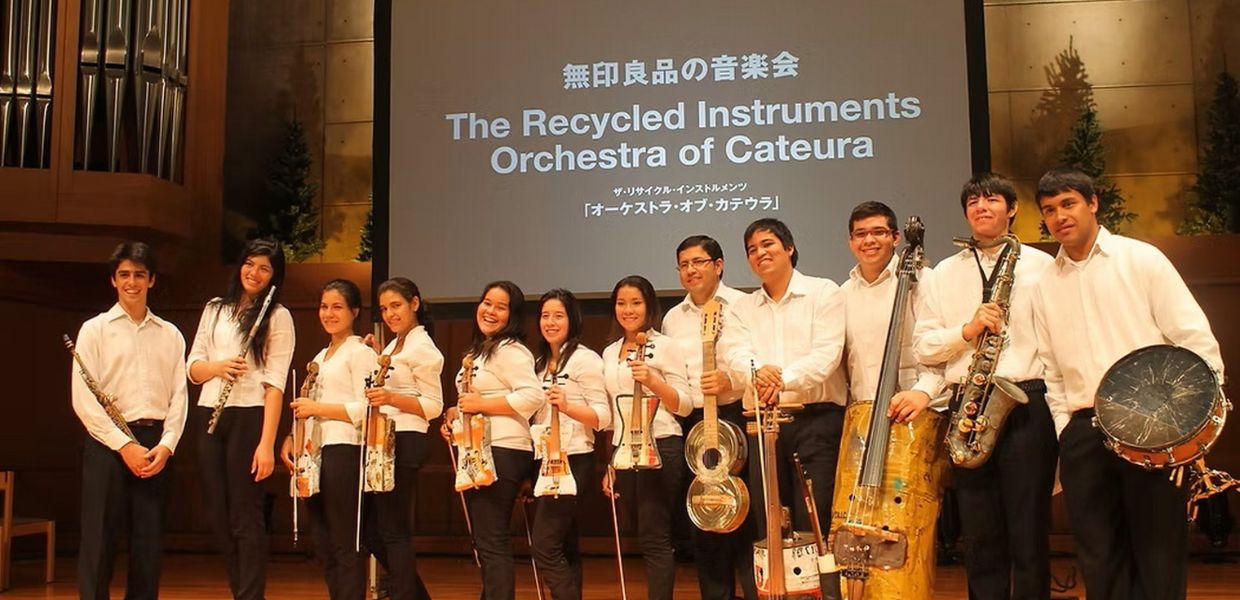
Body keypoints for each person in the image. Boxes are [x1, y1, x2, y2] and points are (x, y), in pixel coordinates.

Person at [1032, 167, 1223, 600]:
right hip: (1085, 430)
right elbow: (1051, 368)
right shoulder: (1045, 282)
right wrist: (1067, 428)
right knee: (1099, 555)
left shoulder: (1142, 259)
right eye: (1049, 210)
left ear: (1092, 203)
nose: (1059, 216)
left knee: (1158, 552)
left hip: (1153, 426)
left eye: (1068, 203)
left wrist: (1194, 420)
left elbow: (1193, 338)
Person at [912, 173, 1057, 600]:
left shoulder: (1042, 267)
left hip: (1025, 399)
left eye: (992, 200)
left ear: (1012, 209)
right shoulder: (942, 273)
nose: (981, 207)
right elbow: (924, 345)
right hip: (968, 404)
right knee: (980, 533)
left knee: (1030, 529)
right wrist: (968, 330)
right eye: (973, 201)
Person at [715, 218, 847, 597]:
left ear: (789, 248)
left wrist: (780, 378)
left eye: (768, 244)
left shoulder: (823, 292)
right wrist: (759, 373)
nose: (760, 253)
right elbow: (733, 354)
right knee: (770, 524)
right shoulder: (743, 307)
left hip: (816, 421)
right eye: (752, 249)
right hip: (763, 424)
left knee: (815, 524)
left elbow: (827, 355)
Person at [839, 202, 949, 594]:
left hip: (913, 416)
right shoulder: (843, 292)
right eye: (861, 234)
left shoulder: (923, 279)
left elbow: (937, 351)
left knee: (907, 533)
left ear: (896, 238)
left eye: (878, 232)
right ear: (851, 241)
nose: (870, 241)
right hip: (861, 422)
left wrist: (922, 391)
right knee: (857, 532)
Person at [71, 241, 188, 600]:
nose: (132, 282)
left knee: (148, 542)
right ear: (113, 280)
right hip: (108, 444)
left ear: (151, 280)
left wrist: (166, 446)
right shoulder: (94, 330)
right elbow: (83, 398)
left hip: (155, 445)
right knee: (99, 540)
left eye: (139, 274)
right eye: (124, 275)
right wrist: (124, 446)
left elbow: (178, 397)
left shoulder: (170, 334)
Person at [187, 238, 295, 600]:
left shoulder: (278, 316)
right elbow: (193, 367)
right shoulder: (215, 309)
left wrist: (266, 444)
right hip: (209, 414)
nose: (255, 273)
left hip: (251, 415)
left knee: (245, 516)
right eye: (250, 264)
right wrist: (219, 367)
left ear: (274, 276)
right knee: (218, 516)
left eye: (265, 268)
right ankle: (240, 592)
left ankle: (250, 595)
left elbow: (276, 386)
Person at [660, 235, 755, 600]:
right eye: (684, 264)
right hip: (692, 423)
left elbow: (755, 357)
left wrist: (731, 379)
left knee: (745, 513)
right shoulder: (672, 318)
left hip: (735, 415)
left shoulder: (743, 305)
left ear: (718, 265)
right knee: (705, 514)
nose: (690, 270)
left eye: (698, 262)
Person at [444, 281, 544, 600]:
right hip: (478, 449)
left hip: (503, 450)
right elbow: (473, 399)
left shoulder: (510, 351)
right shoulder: (480, 350)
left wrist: (480, 404)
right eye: (487, 302)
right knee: (485, 539)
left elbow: (532, 396)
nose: (490, 311)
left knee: (492, 538)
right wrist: (454, 415)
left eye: (500, 307)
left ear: (512, 316)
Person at [601, 275, 693, 600]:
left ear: (649, 305)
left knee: (656, 537)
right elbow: (613, 412)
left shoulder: (666, 346)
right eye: (622, 303)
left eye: (636, 302)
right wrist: (611, 463)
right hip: (625, 451)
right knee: (641, 535)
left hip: (661, 445)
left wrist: (653, 381)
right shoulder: (609, 352)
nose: (628, 309)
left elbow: (684, 404)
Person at [282, 279, 373, 599]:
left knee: (344, 540)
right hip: (314, 452)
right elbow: (307, 404)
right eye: (324, 306)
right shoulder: (322, 355)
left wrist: (317, 408)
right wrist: (293, 436)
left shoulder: (360, 352)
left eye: (337, 307)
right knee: (322, 541)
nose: (329, 313)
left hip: (344, 448)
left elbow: (367, 408)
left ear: (354, 312)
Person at [359, 277, 442, 600]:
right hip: (384, 440)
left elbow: (433, 406)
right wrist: (376, 354)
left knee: (392, 530)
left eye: (396, 306)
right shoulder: (395, 344)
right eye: (384, 309)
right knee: (375, 530)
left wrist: (390, 398)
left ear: (415, 304)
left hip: (406, 439)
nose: (390, 314)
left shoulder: (424, 348)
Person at [529, 289, 609, 600]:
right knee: (564, 545)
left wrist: (568, 406)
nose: (550, 322)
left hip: (573, 460)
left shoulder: (585, 359)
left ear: (572, 319)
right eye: (545, 315)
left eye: (558, 315)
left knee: (544, 545)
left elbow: (602, 417)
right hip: (543, 460)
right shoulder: (538, 363)